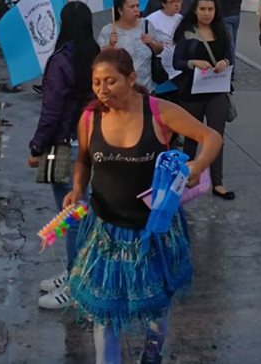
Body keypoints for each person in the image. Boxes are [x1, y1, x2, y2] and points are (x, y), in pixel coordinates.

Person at [65, 48, 222, 364]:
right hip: (106, 231)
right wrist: (77, 188)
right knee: (104, 313)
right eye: (97, 82)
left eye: (111, 81)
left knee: (156, 304)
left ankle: (153, 351)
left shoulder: (159, 112)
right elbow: (82, 159)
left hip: (154, 231)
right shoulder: (89, 118)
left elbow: (211, 136)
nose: (103, 90)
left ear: (132, 79)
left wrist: (198, 164)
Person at [29, 1, 98, 310]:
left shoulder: (62, 60)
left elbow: (52, 108)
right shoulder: (95, 55)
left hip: (63, 144)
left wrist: (36, 145)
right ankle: (72, 271)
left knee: (71, 215)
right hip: (88, 143)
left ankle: (77, 281)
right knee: (76, 213)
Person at [171, 0, 235, 200]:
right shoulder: (187, 33)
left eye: (210, 9)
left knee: (217, 136)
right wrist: (193, 63)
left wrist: (224, 62)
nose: (207, 14)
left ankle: (218, 182)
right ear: (195, 11)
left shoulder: (222, 31)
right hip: (191, 92)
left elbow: (229, 56)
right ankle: (184, 179)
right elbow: (176, 62)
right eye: (203, 9)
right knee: (190, 138)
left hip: (217, 90)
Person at [98, 0, 165, 93]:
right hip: (120, 90)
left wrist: (151, 43)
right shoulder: (108, 30)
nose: (136, 9)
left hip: (146, 89)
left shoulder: (146, 25)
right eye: (131, 7)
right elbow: (100, 58)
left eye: (137, 6)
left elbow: (159, 49)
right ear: (120, 10)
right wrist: (110, 45)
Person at [145, 0, 186, 93]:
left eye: (179, 1)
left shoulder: (181, 18)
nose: (177, 4)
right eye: (172, 1)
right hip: (162, 69)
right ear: (163, 3)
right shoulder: (151, 20)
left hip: (179, 68)